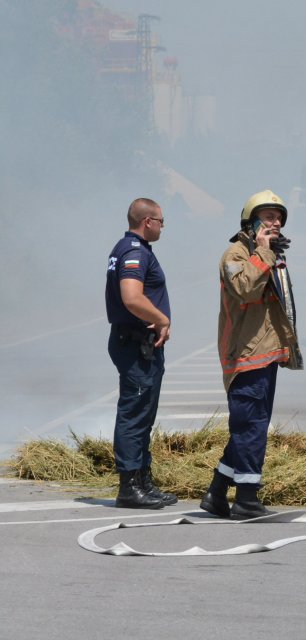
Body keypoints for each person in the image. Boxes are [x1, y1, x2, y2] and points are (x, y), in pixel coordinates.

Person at [199, 190, 302, 520]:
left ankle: (217, 494)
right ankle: (246, 498)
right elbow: (245, 288)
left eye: (278, 217)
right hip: (245, 355)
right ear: (251, 221)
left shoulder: (268, 255)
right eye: (268, 216)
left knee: (249, 427)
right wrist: (262, 252)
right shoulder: (236, 255)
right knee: (250, 428)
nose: (275, 222)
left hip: (266, 353)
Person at [105, 198, 177, 509]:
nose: (163, 226)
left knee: (143, 414)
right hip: (135, 344)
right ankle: (129, 486)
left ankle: (144, 481)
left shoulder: (133, 248)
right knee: (134, 415)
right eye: (161, 221)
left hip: (140, 344)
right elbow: (131, 298)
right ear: (147, 222)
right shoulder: (134, 251)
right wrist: (161, 319)